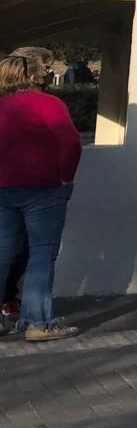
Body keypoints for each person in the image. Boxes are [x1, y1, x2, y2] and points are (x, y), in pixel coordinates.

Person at [0, 53, 82, 342]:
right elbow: (71, 142)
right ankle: (38, 323)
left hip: (3, 190)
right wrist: (65, 176)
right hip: (44, 188)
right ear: (33, 76)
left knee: (3, 252)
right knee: (42, 253)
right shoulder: (48, 104)